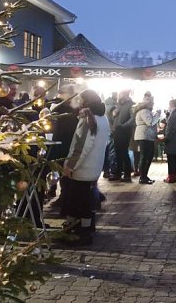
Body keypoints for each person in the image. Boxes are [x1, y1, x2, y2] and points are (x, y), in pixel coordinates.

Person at [59, 90, 109, 246]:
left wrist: (70, 166)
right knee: (86, 200)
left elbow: (81, 146)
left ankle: (77, 232)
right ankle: (86, 229)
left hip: (82, 168)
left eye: (79, 100)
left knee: (76, 201)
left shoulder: (88, 119)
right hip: (94, 167)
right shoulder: (103, 118)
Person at [133, 92, 160, 185]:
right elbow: (150, 122)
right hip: (144, 136)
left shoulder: (144, 111)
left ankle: (144, 176)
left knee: (147, 156)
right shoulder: (145, 111)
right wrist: (157, 114)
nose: (153, 104)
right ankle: (143, 177)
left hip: (146, 136)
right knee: (145, 156)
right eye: (152, 103)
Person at [110, 90, 135, 182]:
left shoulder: (131, 105)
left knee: (124, 152)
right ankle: (118, 174)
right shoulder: (118, 105)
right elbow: (114, 117)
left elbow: (133, 118)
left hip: (124, 132)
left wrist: (124, 126)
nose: (119, 96)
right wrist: (113, 115)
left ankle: (127, 175)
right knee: (117, 153)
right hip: (116, 131)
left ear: (125, 95)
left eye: (121, 94)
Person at [163, 99, 176, 183]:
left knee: (171, 159)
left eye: (169, 105)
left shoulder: (174, 115)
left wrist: (166, 138)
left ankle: (171, 177)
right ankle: (174, 176)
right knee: (174, 158)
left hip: (172, 140)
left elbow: (171, 128)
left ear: (172, 105)